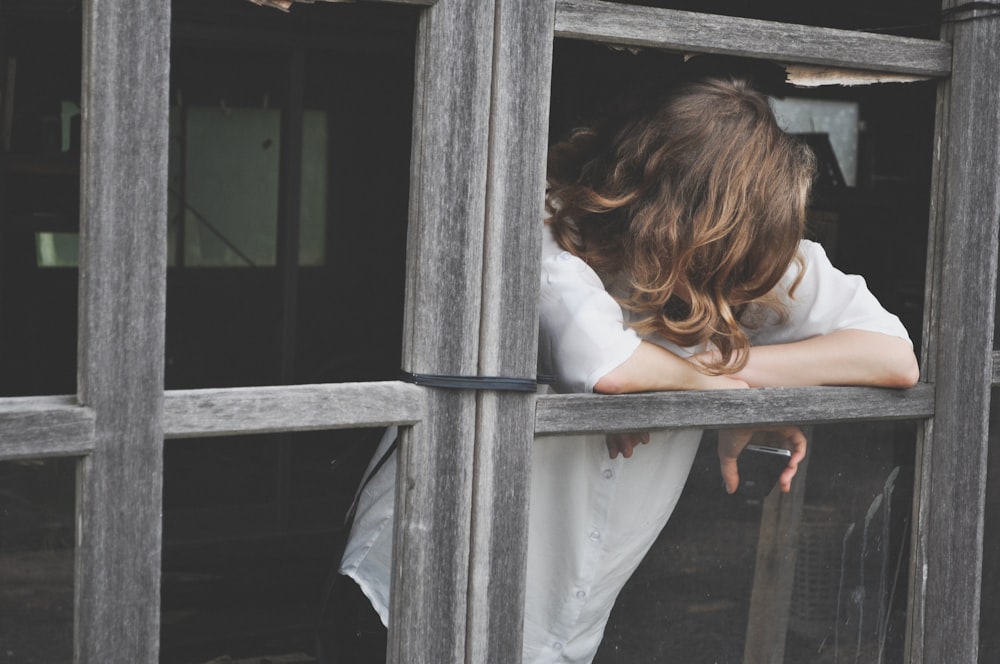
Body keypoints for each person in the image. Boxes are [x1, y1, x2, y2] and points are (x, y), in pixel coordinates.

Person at [337, 75, 919, 664]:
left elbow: (894, 357)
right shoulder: (543, 223)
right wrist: (718, 392)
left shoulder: (756, 251)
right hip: (417, 589)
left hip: (566, 626)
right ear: (682, 215)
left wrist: (729, 379)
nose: (738, 272)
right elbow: (609, 367)